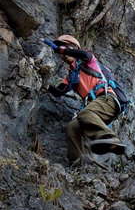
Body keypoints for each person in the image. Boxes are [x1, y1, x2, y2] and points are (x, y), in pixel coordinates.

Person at [46, 35, 126, 164]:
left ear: (73, 48)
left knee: (85, 113)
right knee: (72, 127)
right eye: (62, 52)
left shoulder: (89, 61)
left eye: (65, 48)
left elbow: (84, 54)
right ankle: (78, 162)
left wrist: (61, 49)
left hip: (107, 99)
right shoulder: (72, 76)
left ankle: (110, 139)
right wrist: (45, 84)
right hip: (95, 107)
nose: (63, 55)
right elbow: (58, 92)